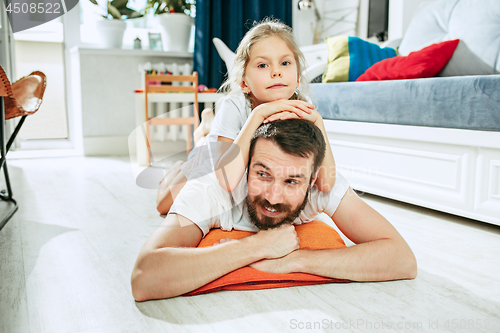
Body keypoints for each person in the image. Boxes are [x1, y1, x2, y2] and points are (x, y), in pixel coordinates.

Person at [131, 119, 418, 301]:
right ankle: (202, 138)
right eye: (263, 174)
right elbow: (144, 278)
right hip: (206, 162)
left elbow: (402, 259)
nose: (273, 196)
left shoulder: (322, 185)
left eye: (292, 181)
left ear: (313, 178)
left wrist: (297, 261)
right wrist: (257, 246)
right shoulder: (213, 188)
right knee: (164, 200)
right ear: (246, 166)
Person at [155, 18, 337, 215]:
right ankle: (193, 148)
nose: (276, 72)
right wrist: (258, 115)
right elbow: (226, 180)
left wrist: (318, 122)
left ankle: (207, 128)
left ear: (298, 76)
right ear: (244, 83)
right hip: (213, 158)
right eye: (262, 65)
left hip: (235, 158)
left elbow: (326, 184)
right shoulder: (234, 105)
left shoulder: (303, 106)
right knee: (163, 204)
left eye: (285, 63)